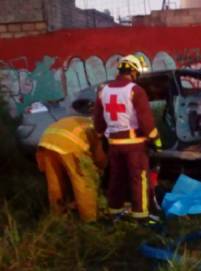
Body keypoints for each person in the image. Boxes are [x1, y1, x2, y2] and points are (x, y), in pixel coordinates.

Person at [93, 55, 161, 221]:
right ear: (133, 71)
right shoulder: (135, 90)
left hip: (114, 145)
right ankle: (141, 216)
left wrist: (102, 137)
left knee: (116, 177)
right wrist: (155, 140)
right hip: (134, 145)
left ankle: (114, 212)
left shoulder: (104, 90)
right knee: (139, 179)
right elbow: (146, 121)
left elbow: (98, 119)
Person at [36, 116, 107, 222]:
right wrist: (101, 169)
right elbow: (98, 156)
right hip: (69, 146)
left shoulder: (82, 120)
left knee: (55, 183)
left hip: (45, 143)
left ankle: (58, 216)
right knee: (83, 183)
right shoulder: (96, 128)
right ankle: (90, 218)